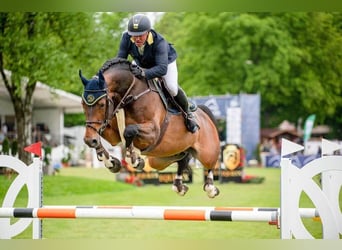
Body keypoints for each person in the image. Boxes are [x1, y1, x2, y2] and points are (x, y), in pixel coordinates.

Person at [116, 13, 199, 133]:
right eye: (134, 36)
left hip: (165, 63)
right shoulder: (126, 38)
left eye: (140, 35)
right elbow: (120, 60)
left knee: (171, 88)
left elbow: (161, 69)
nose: (137, 39)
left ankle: (188, 114)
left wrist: (143, 74)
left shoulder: (160, 42)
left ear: (148, 32)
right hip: (142, 62)